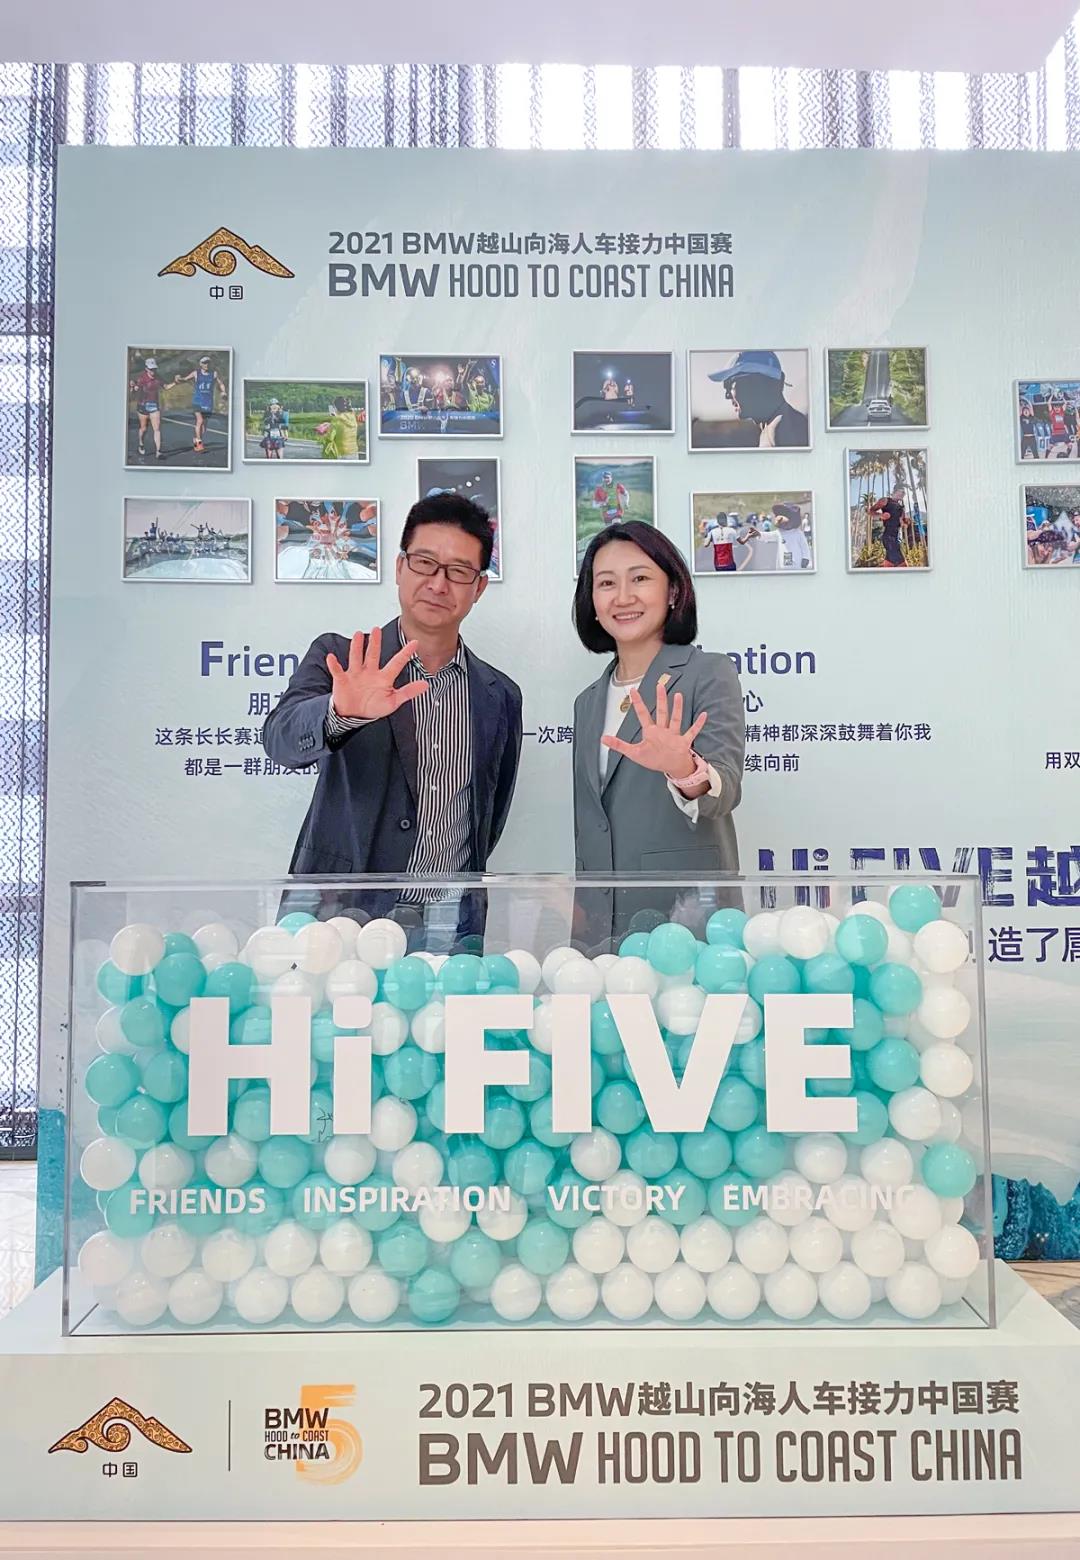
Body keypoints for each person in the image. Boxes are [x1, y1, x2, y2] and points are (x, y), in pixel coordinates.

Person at [263, 491, 522, 946]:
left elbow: (490, 815)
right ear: (401, 568)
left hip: (450, 926)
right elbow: (280, 740)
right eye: (425, 563)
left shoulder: (499, 695)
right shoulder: (343, 658)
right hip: (339, 919)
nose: (438, 584)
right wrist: (340, 713)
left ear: (479, 588)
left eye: (459, 571)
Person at [572, 521, 744, 944]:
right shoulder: (587, 701)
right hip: (601, 929)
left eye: (640, 579)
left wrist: (684, 769)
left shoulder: (707, 673)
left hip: (686, 922)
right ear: (592, 601)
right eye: (606, 583)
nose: (623, 597)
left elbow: (725, 790)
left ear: (672, 592)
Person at [709, 350, 809, 447]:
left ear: (757, 384)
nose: (727, 396)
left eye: (730, 385)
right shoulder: (777, 426)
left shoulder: (783, 428)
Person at [173, 354, 227, 454]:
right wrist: (179, 378)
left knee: (204, 426)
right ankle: (198, 443)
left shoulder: (214, 374)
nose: (206, 365)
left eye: (208, 363)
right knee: (200, 420)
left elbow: (221, 384)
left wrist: (223, 392)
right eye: (204, 363)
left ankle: (197, 439)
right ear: (200, 364)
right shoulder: (196, 373)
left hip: (208, 402)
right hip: (197, 401)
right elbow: (185, 379)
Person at [130, 356, 165, 460]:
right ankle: (141, 443)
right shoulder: (141, 378)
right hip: (143, 405)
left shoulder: (158, 377)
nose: (153, 371)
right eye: (151, 369)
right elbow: (135, 389)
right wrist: (133, 387)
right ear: (146, 369)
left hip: (154, 406)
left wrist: (176, 382)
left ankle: (158, 451)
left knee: (157, 429)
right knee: (144, 428)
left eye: (154, 369)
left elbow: (166, 386)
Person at [869, 489, 906, 567]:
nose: (902, 494)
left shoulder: (901, 508)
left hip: (897, 536)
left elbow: (902, 522)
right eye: (900, 492)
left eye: (903, 494)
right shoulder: (885, 500)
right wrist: (881, 515)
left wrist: (905, 522)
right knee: (903, 565)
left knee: (889, 564)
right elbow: (870, 511)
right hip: (889, 537)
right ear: (894, 492)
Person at [773, 501, 812, 570]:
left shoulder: (798, 533)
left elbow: (804, 546)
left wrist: (806, 558)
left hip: (796, 562)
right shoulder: (779, 532)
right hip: (783, 564)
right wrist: (758, 534)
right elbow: (769, 535)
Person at [319, 396, 360, 460]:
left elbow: (330, 438)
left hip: (342, 453)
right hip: (354, 452)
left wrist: (323, 432)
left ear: (336, 407)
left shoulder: (337, 419)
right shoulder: (353, 417)